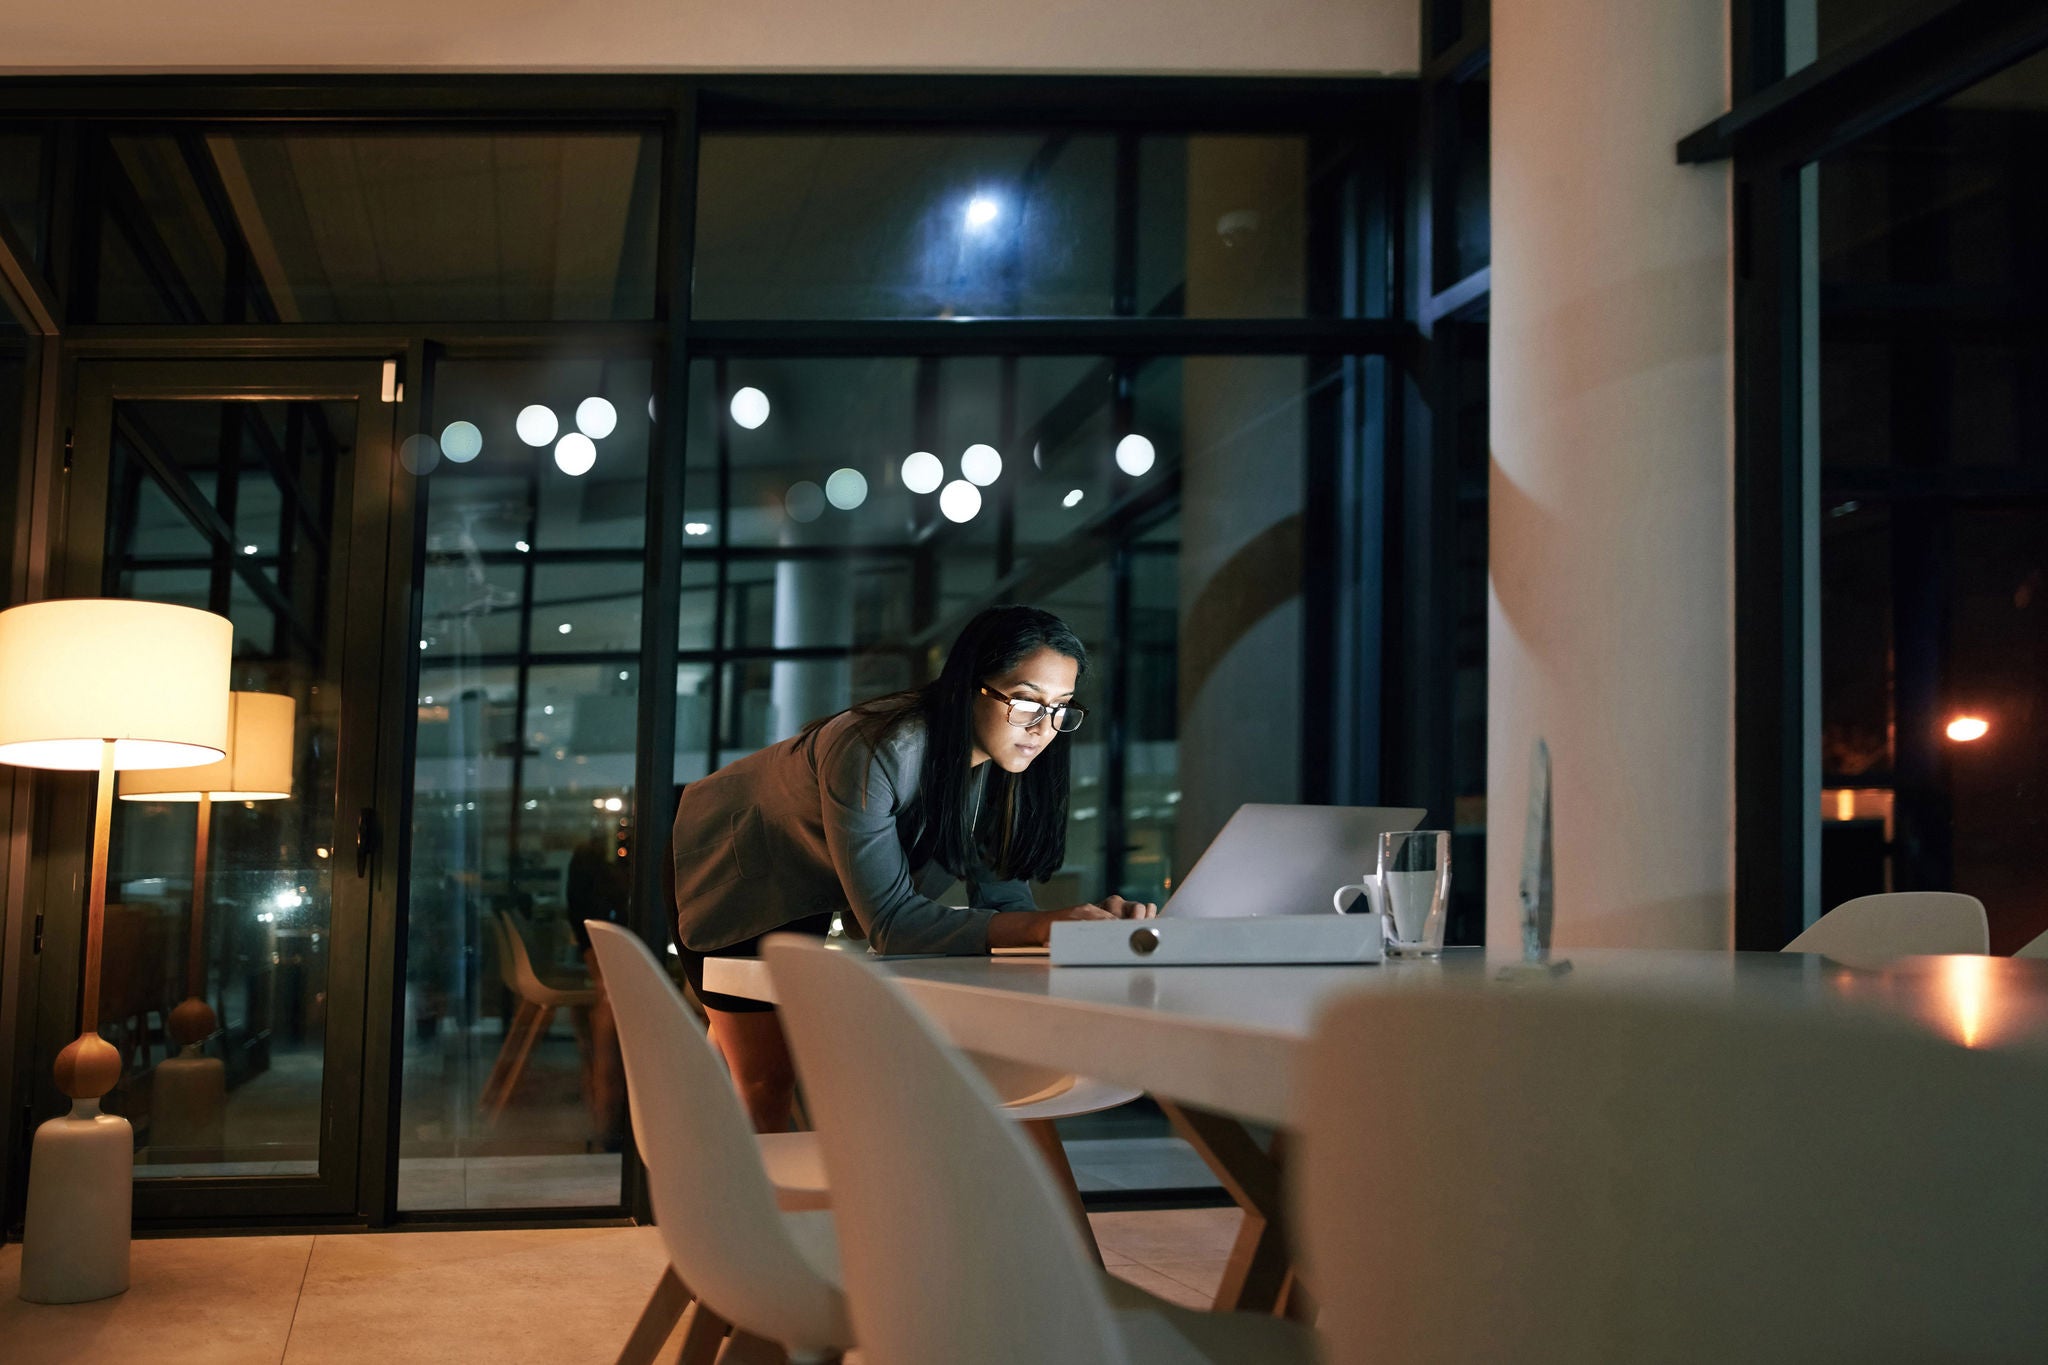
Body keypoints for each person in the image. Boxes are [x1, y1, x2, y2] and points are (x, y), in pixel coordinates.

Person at [672, 603, 1157, 1131]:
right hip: (738, 859)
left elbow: (1005, 904)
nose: (1043, 728)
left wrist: (1088, 933)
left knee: (739, 1062)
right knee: (767, 1082)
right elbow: (893, 925)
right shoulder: (876, 748)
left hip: (813, 877)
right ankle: (741, 1206)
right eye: (1025, 702)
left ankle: (702, 1172)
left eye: (1061, 707)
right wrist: (1049, 925)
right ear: (970, 686)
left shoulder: (1004, 763)